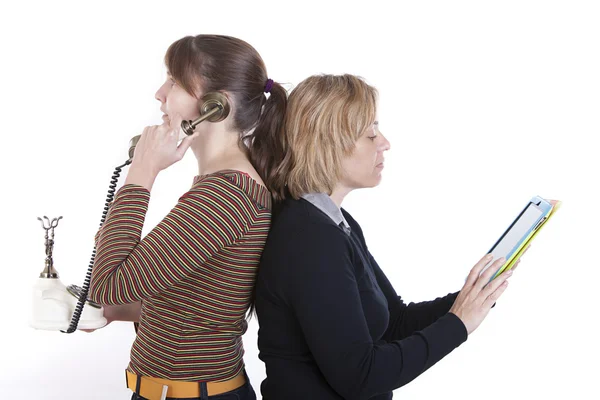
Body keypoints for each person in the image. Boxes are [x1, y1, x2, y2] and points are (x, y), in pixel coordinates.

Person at [255, 74, 523, 400]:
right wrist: (458, 325)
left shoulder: (333, 222)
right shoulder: (309, 239)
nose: (384, 142)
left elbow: (395, 322)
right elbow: (361, 375)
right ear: (327, 144)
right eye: (370, 133)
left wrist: (476, 295)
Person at [88, 34, 287, 400]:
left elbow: (107, 284)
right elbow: (197, 307)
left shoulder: (228, 195)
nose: (160, 93)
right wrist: (118, 311)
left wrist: (142, 172)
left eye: (175, 81)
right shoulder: (222, 186)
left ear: (216, 105)